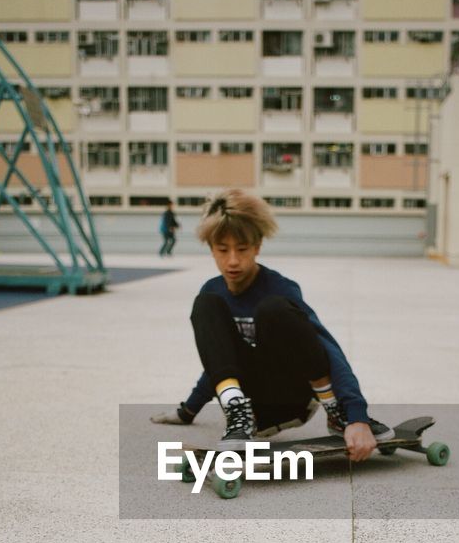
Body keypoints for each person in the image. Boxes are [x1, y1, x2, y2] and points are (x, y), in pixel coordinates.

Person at [151, 189, 392, 462]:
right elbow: (218, 361)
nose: (232, 260)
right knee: (205, 303)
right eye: (222, 250)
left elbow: (326, 348)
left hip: (292, 396)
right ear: (211, 250)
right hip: (252, 406)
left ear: (257, 247)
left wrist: (356, 415)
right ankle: (238, 418)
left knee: (273, 308)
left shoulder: (280, 288)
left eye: (242, 250)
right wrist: (187, 412)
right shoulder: (213, 294)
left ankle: (337, 414)